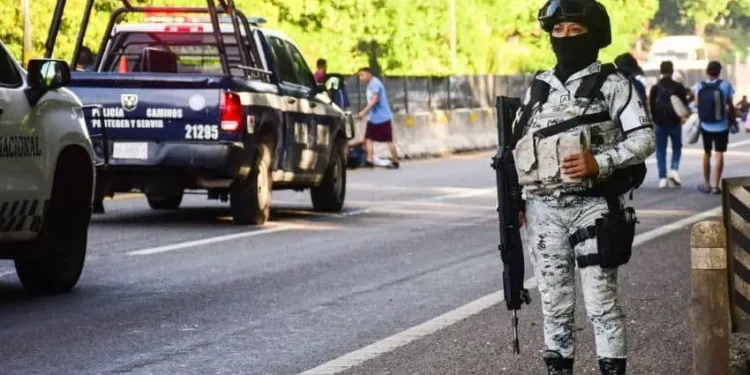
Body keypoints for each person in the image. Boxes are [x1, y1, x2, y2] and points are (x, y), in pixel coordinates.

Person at [513, 0, 655, 373]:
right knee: (554, 306)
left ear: (594, 35)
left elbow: (643, 140)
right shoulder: (538, 88)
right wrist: (514, 200)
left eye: (575, 31)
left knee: (601, 304)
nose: (565, 38)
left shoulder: (614, 84)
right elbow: (516, 147)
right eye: (558, 31)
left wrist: (600, 162)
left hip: (594, 207)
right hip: (542, 211)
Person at [693, 61, 737, 195]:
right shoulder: (725, 85)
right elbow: (730, 105)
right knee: (719, 154)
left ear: (707, 71)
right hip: (721, 125)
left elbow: (696, 104)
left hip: (705, 124)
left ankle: (706, 184)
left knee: (707, 153)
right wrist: (733, 120)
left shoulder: (699, 85)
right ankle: (715, 186)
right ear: (719, 71)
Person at [648, 61, 690, 189]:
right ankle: (674, 170)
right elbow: (684, 104)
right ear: (672, 71)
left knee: (661, 151)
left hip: (659, 124)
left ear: (661, 71)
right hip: (675, 122)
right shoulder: (678, 87)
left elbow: (651, 105)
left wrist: (654, 120)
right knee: (676, 147)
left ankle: (662, 179)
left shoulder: (655, 87)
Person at [356, 67, 400, 169]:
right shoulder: (371, 84)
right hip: (374, 118)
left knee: (388, 140)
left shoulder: (374, 84)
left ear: (368, 74)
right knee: (368, 138)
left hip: (382, 117)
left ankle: (395, 161)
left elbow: (374, 99)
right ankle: (370, 160)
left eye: (362, 75)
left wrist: (363, 112)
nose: (361, 78)